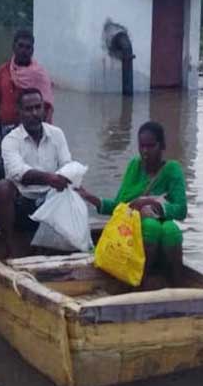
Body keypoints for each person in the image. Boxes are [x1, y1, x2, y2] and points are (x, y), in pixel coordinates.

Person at [79, 122, 187, 286]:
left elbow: (181, 210)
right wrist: (91, 198)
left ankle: (177, 284)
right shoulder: (134, 167)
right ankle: (139, 282)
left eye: (151, 146)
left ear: (162, 145)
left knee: (171, 230)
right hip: (133, 227)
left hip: (163, 225)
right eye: (142, 146)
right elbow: (120, 207)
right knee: (151, 227)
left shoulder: (172, 169)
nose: (145, 151)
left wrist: (151, 203)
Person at [0, 87, 72, 258]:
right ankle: (8, 249)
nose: (34, 113)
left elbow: (67, 165)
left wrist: (65, 178)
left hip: (50, 202)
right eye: (28, 109)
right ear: (19, 112)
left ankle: (52, 249)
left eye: (38, 107)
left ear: (44, 109)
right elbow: (18, 173)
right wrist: (50, 178)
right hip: (22, 204)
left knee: (73, 189)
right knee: (2, 188)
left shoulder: (57, 134)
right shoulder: (10, 140)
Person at [0, 30, 55, 180]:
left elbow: (46, 109)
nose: (24, 50)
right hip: (5, 132)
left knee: (29, 175)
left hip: (31, 134)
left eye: (28, 47)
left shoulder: (39, 74)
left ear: (32, 50)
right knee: (3, 177)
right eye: (20, 46)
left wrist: (41, 139)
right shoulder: (3, 71)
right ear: (14, 47)